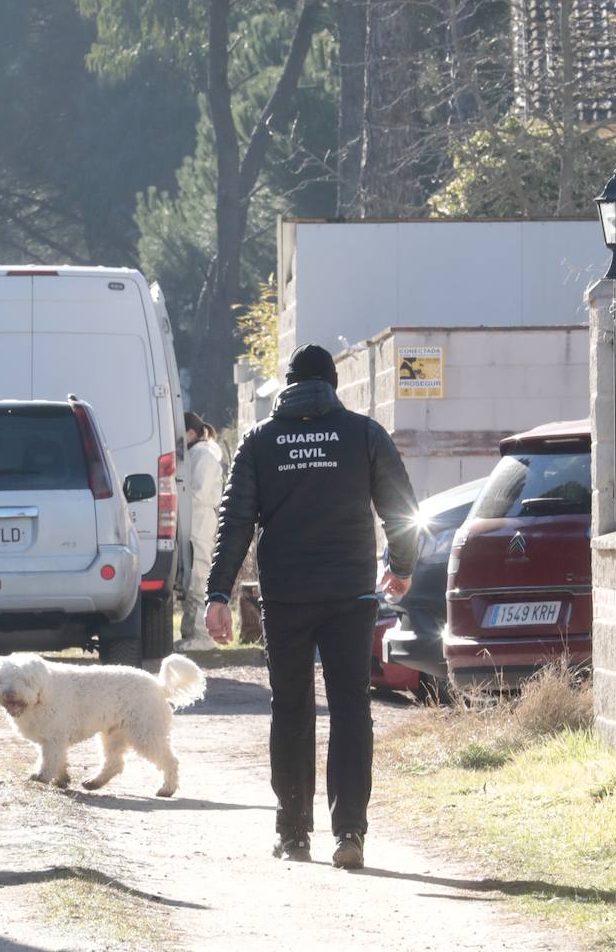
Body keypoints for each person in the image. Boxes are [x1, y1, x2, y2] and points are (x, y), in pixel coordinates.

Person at [204, 344, 418, 870]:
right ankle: (349, 834)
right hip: (351, 595)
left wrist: (217, 593)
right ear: (332, 385)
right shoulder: (364, 433)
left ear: (289, 384)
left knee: (292, 708)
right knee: (351, 709)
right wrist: (403, 564)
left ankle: (294, 833)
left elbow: (235, 521)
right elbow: (400, 506)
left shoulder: (261, 441)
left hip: (287, 596)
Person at [176, 411, 225, 650]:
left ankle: (203, 637)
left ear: (192, 433)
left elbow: (198, 495)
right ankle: (189, 634)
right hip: (192, 524)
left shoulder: (203, 456)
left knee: (198, 577)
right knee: (189, 580)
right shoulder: (194, 454)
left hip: (200, 523)